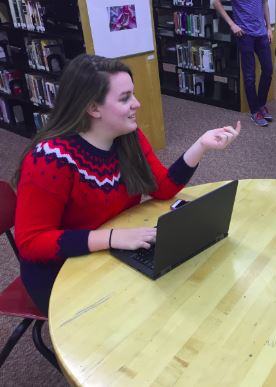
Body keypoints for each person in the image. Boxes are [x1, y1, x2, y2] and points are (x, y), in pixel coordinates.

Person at [12, 54, 241, 315]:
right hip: (61, 271)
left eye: (133, 94)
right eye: (125, 98)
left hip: (112, 251)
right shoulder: (49, 161)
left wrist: (201, 145)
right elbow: (31, 243)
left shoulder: (126, 135)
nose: (137, 103)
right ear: (93, 108)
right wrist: (111, 238)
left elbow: (163, 188)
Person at [213, 0, 273, 127]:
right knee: (250, 76)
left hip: (262, 33)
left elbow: (265, 3)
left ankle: (261, 104)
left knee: (268, 70)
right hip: (245, 35)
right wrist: (232, 24)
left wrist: (269, 27)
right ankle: (255, 111)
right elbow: (216, 2)